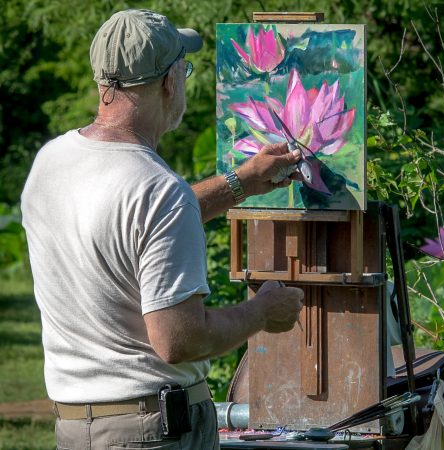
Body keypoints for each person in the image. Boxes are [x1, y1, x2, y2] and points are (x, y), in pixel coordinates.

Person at [21, 9, 304, 450]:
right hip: (152, 431)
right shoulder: (158, 190)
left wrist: (241, 183)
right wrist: (262, 312)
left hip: (78, 428)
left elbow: (128, 223)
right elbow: (179, 339)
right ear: (170, 80)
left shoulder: (51, 162)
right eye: (185, 70)